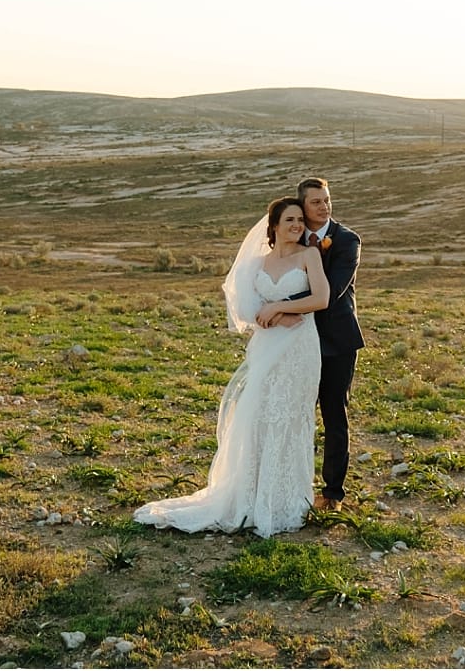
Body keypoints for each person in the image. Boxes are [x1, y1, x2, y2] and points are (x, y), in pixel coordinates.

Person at [133, 196, 329, 538]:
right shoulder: (257, 262)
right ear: (274, 226)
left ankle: (285, 501)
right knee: (259, 414)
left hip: (300, 346)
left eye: (300, 220)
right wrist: (277, 314)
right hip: (267, 344)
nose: (297, 225)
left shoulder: (310, 255)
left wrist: (280, 306)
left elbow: (322, 299)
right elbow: (246, 306)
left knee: (291, 417)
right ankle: (251, 497)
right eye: (290, 221)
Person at [294, 177, 366, 510]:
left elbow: (332, 292)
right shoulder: (288, 239)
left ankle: (333, 492)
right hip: (294, 340)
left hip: (336, 342)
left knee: (334, 415)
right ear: (302, 207)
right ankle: (291, 484)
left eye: (327, 200)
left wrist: (280, 305)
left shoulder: (348, 240)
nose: (324, 207)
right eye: (316, 202)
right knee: (293, 413)